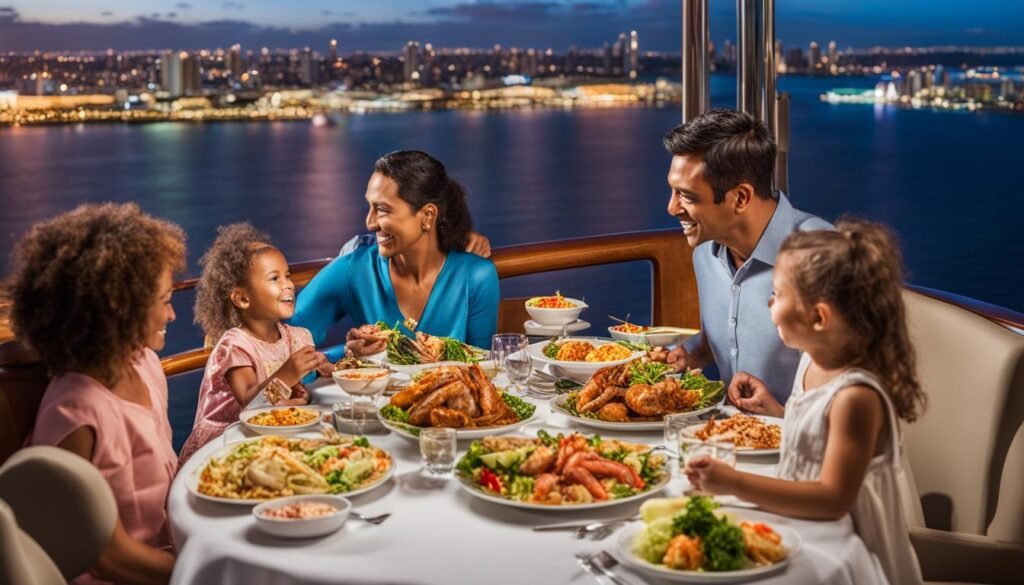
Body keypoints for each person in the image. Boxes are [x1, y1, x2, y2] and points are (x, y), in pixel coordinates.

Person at [685, 219, 926, 585]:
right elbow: (818, 440)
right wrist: (778, 412)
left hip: (850, 558)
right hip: (806, 534)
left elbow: (832, 498)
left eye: (778, 294)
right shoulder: (811, 360)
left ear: (818, 317)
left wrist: (735, 482)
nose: (769, 301)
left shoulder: (856, 397)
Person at [7, 203, 185, 585]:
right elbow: (105, 555)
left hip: (169, 555)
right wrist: (204, 572)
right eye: (165, 301)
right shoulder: (75, 411)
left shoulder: (146, 366)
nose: (172, 316)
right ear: (120, 309)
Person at [663, 108, 831, 407]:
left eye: (686, 196)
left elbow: (852, 397)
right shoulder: (705, 250)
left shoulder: (822, 256)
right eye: (672, 192)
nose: (672, 208)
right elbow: (728, 335)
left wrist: (779, 415)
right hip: (730, 440)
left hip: (800, 447)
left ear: (740, 197)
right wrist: (693, 353)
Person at [292, 150, 499, 360]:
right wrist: (347, 354)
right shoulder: (353, 270)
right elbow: (282, 342)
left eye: (382, 209)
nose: (370, 223)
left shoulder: (476, 277)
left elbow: (482, 366)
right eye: (369, 207)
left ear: (427, 215)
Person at [178, 223, 332, 465]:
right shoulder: (235, 346)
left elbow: (284, 394)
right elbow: (250, 405)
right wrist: (288, 374)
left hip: (268, 436)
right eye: (274, 278)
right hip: (226, 444)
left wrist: (321, 375)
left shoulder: (296, 337)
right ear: (242, 298)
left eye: (288, 275)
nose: (288, 284)